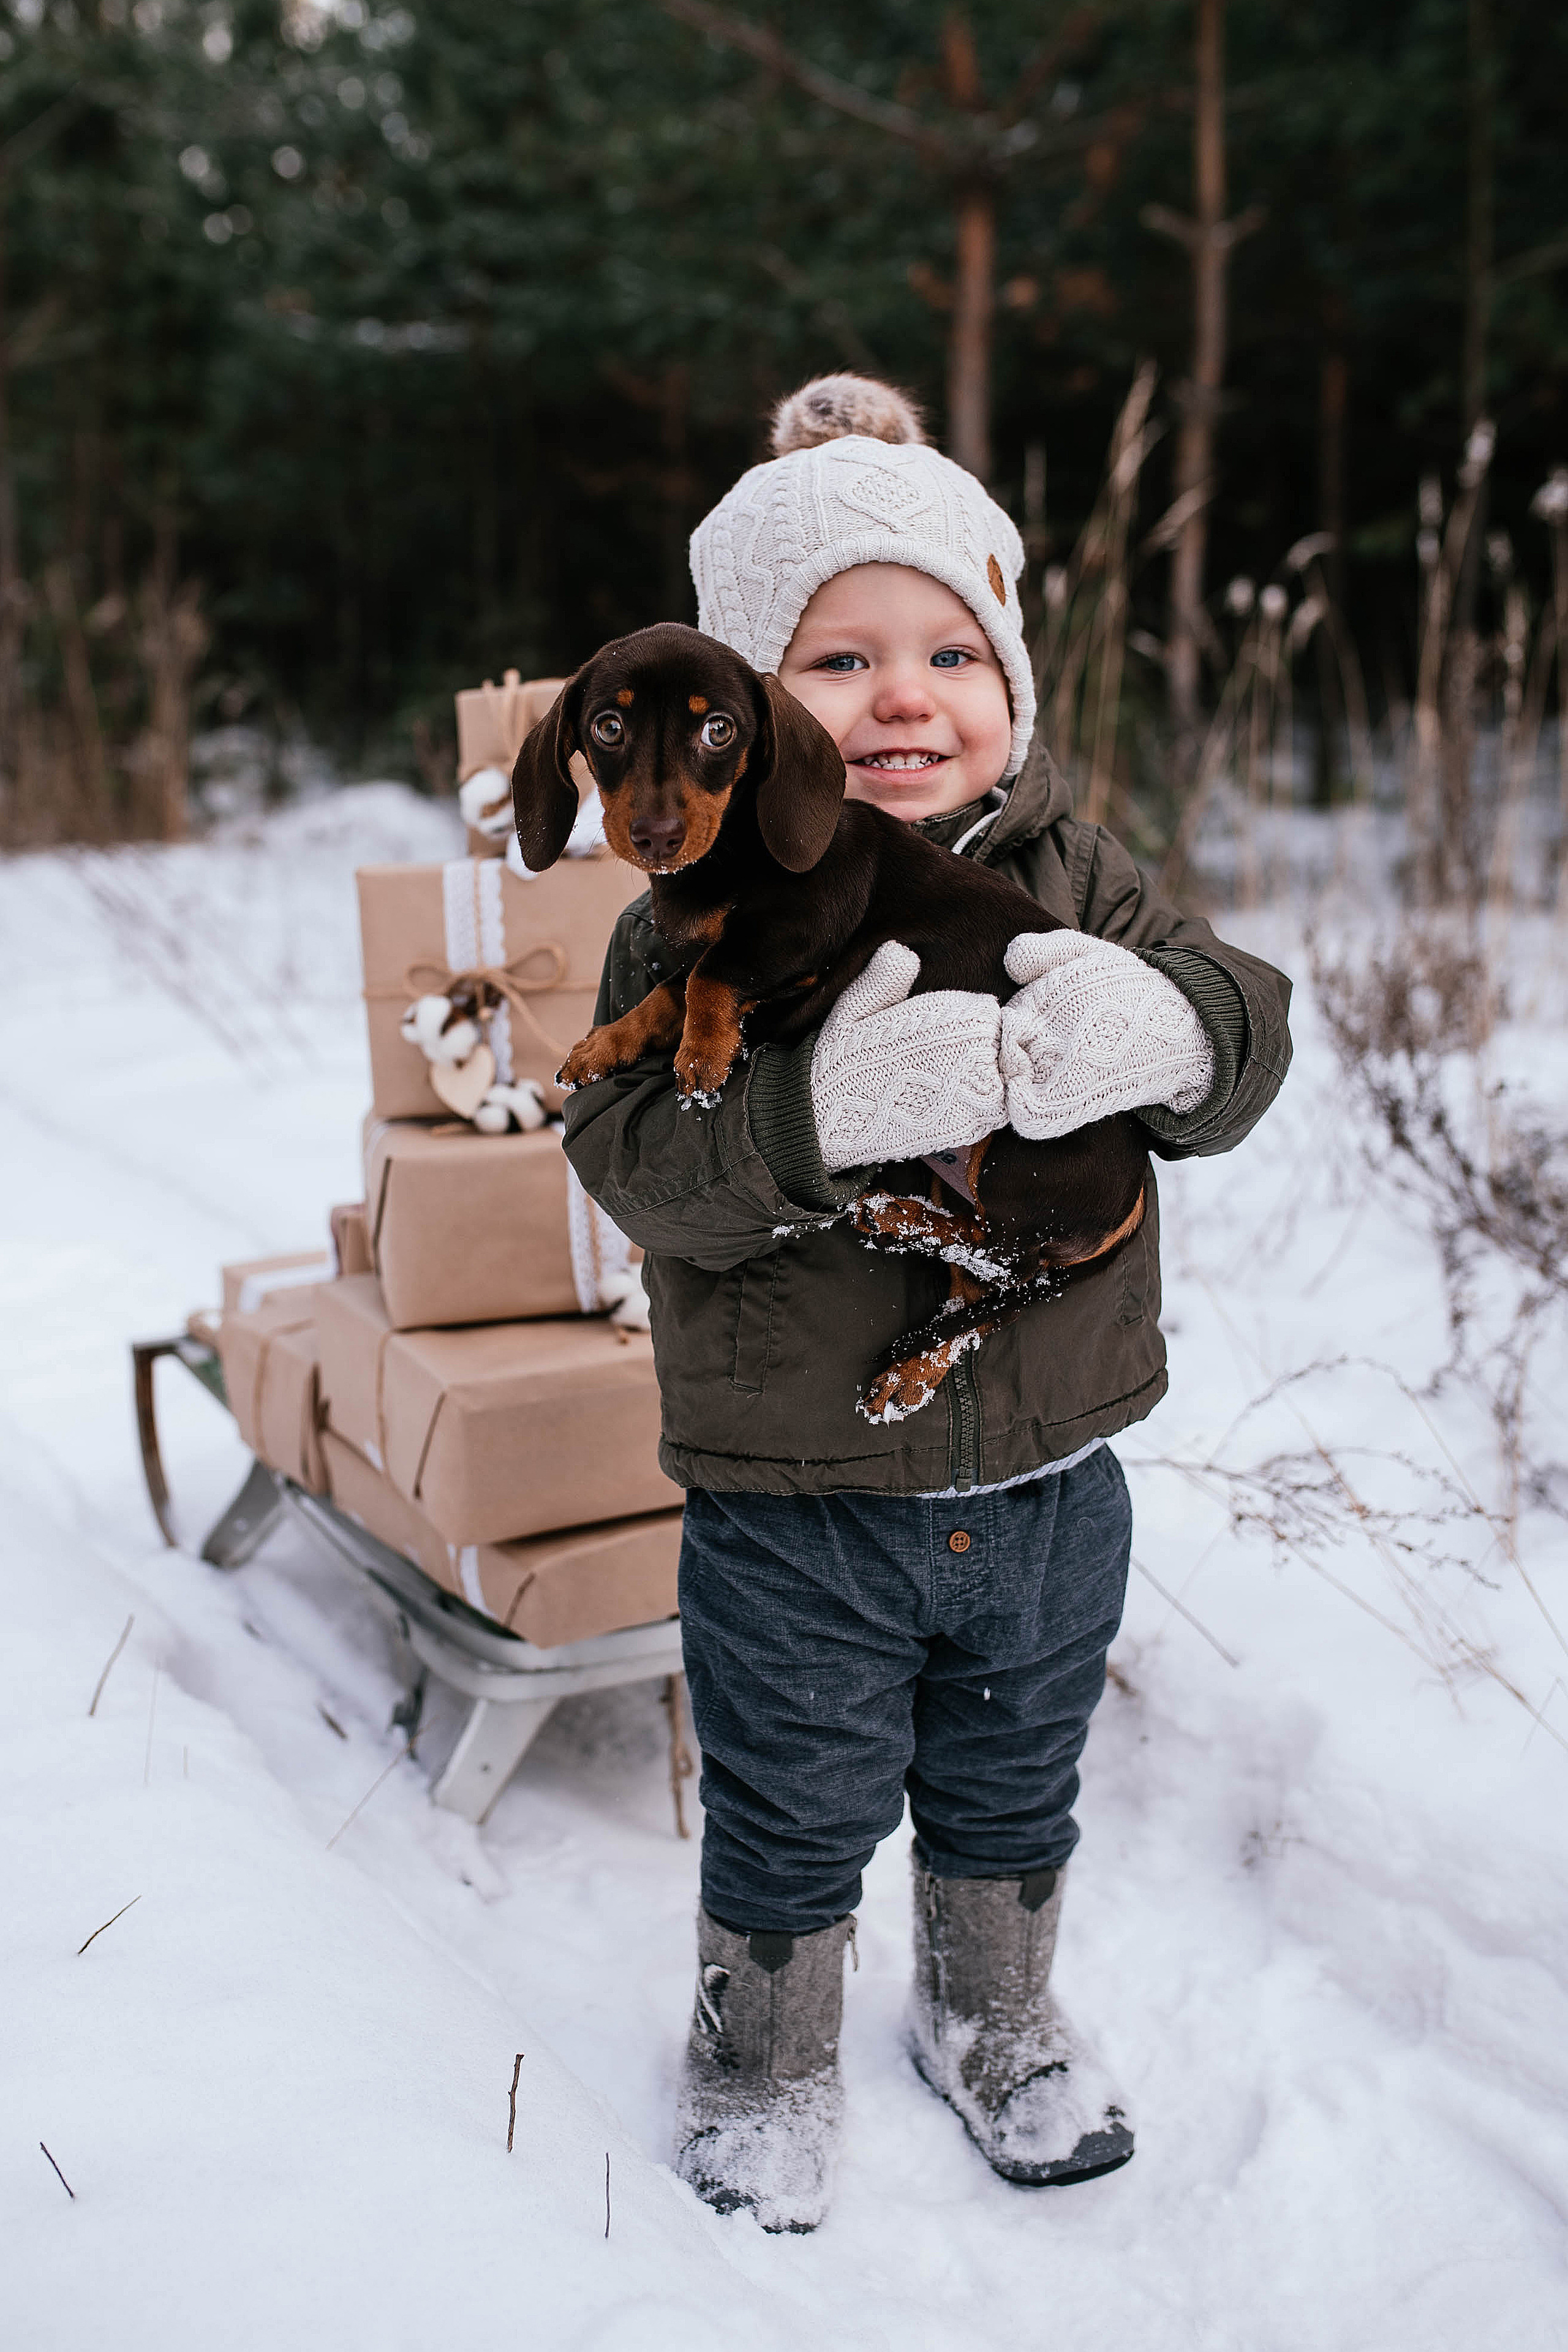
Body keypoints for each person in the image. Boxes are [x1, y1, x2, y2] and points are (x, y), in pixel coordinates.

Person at [562, 374, 1292, 2233]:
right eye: (835, 662)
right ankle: (763, 2055)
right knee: (796, 1801)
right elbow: (638, 1162)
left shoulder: (1080, 874)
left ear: (1013, 684)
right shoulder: (690, 920)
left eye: (953, 652)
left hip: (1052, 1480)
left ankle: (996, 2009)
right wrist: (814, 1119)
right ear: (738, 711)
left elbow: (1247, 1031)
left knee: (1013, 1777)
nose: (905, 697)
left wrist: (1177, 1034)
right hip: (796, 1501)